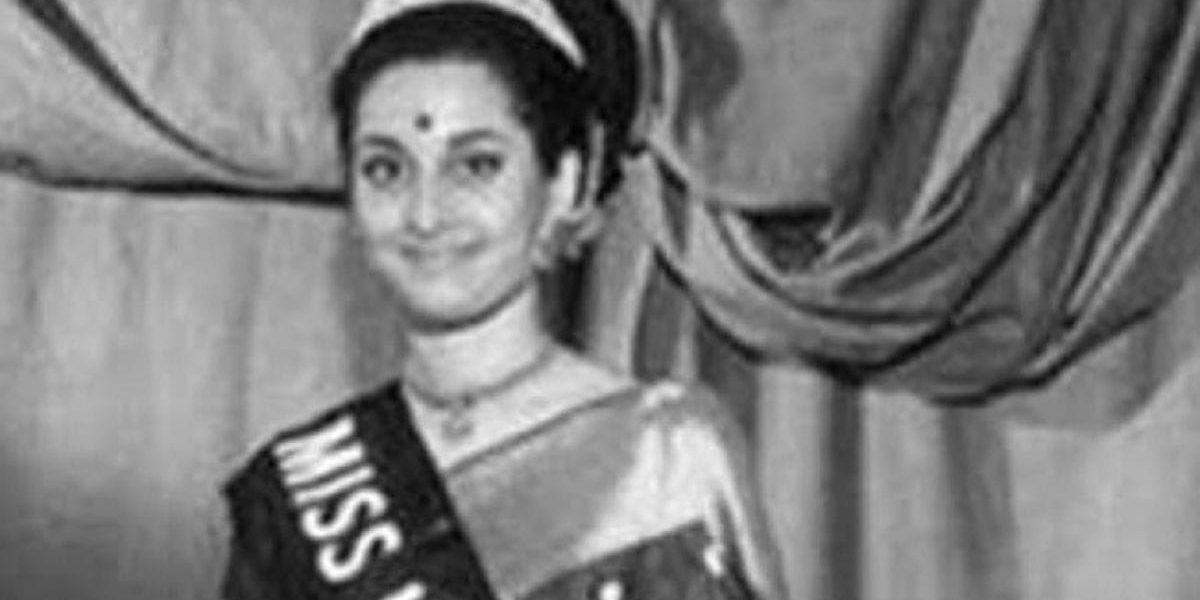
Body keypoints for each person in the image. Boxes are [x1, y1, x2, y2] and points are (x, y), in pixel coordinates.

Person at [220, 1, 781, 598]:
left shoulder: (664, 455)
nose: (426, 213)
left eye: (476, 165)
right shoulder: (294, 496)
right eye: (386, 169)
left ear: (563, 183)